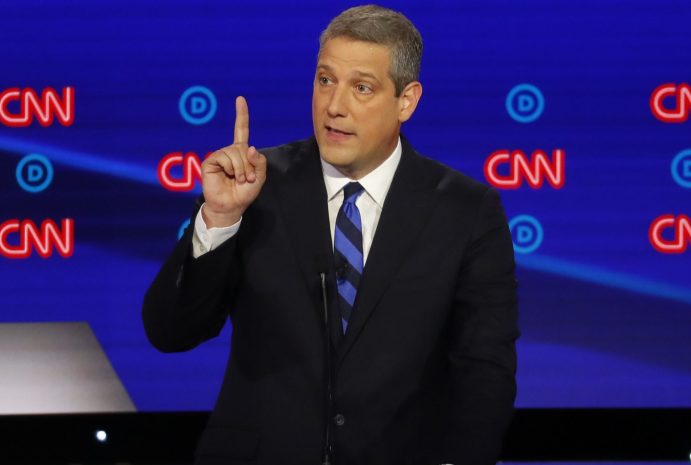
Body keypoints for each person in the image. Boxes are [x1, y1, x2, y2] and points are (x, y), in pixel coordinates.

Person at [143, 5, 519, 465]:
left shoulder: (464, 211)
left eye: (361, 87)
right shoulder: (255, 187)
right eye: (325, 80)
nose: (335, 106)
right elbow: (170, 332)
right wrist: (219, 218)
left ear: (407, 99)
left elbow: (484, 371)